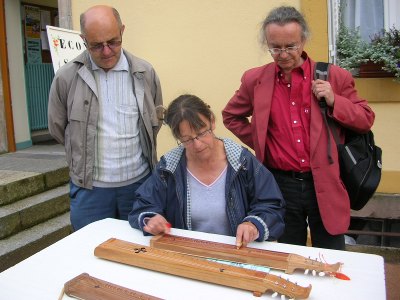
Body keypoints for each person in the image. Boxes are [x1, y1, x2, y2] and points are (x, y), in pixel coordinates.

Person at [222, 6, 375, 250]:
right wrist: (263, 142)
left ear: (303, 40)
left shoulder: (334, 76)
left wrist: (336, 100)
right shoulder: (255, 80)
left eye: (290, 46)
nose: (283, 54)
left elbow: (365, 119)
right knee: (285, 254)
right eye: (275, 47)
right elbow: (231, 116)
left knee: (330, 255)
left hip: (324, 181)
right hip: (280, 183)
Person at [48, 5, 163, 231]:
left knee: (137, 255)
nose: (107, 51)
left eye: (113, 42)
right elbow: (58, 127)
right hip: (90, 191)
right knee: (89, 254)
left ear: (122, 31)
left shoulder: (144, 73)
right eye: (97, 45)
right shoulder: (67, 77)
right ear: (83, 39)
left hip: (139, 187)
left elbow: (154, 122)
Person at [129, 94, 285, 247]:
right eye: (187, 139)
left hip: (236, 252)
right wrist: (152, 218)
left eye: (202, 133)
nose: (198, 144)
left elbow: (271, 204)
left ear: (212, 121)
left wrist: (253, 224)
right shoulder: (168, 167)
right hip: (188, 253)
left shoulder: (241, 161)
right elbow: (144, 203)